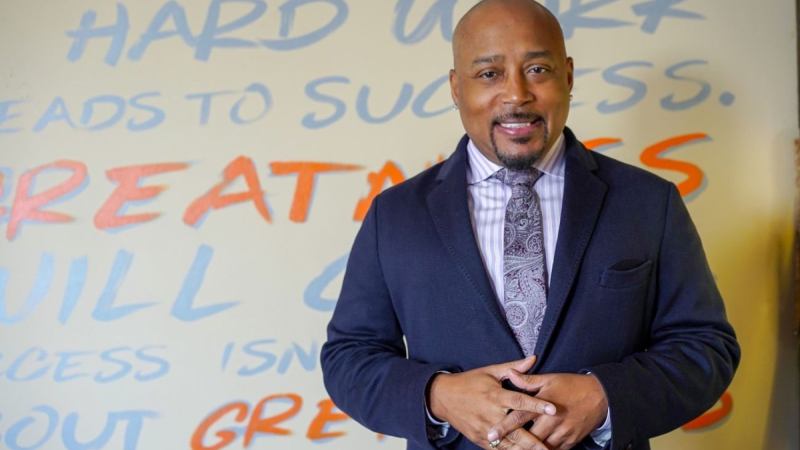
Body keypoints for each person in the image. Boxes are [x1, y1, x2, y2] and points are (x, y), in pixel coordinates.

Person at [320, 1, 740, 449]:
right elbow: (349, 358)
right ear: (456, 88)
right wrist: (438, 396)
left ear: (568, 77)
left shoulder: (649, 202)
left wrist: (605, 397)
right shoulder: (395, 215)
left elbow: (705, 347)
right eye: (489, 74)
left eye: (538, 69)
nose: (517, 95)